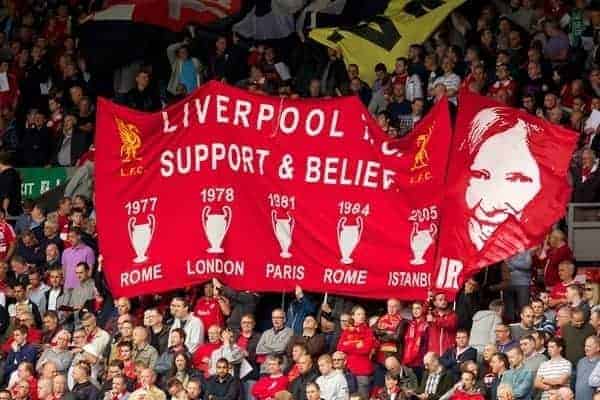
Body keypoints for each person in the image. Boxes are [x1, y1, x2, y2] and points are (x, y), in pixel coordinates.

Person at [336, 306, 375, 398]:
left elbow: (366, 349)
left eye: (363, 314)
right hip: (349, 370)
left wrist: (348, 344)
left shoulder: (368, 331)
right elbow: (340, 347)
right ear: (352, 316)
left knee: (362, 397)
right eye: (358, 314)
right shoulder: (347, 331)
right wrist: (357, 343)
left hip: (363, 371)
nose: (361, 316)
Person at [256, 308, 294, 373]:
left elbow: (281, 348)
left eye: (278, 317)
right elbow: (258, 350)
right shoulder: (266, 332)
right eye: (273, 318)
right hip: (265, 369)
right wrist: (275, 347)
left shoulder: (290, 332)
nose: (275, 320)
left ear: (284, 319)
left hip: (280, 369)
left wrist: (265, 346)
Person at [575, 336, 600, 400]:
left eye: (589, 346)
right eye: (585, 346)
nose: (586, 348)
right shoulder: (581, 362)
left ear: (598, 348)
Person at [0, 151, 22, 217]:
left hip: (7, 213)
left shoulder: (7, 175)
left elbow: (7, 195)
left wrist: (5, 210)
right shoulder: (14, 173)